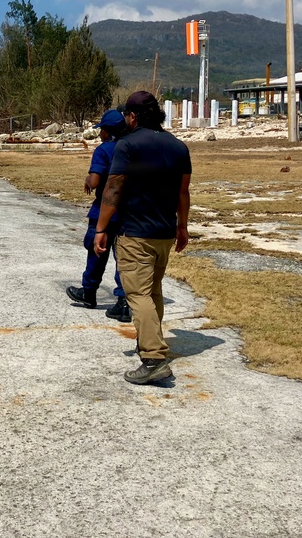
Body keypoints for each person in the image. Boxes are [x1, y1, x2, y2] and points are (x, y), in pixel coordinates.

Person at [93, 91, 191, 385]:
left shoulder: (127, 145)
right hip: (164, 233)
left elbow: (113, 189)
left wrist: (101, 228)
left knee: (137, 295)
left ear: (133, 116)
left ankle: (153, 358)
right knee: (153, 292)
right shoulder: (178, 147)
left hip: (136, 233)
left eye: (126, 115)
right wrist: (182, 226)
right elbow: (183, 192)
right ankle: (148, 341)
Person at [65, 109, 130, 321]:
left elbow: (94, 182)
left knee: (96, 252)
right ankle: (123, 300)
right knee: (123, 258)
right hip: (127, 212)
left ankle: (89, 292)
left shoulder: (104, 150)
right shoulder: (131, 147)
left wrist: (87, 179)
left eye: (101, 129)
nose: (100, 133)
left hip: (104, 211)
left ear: (107, 131)